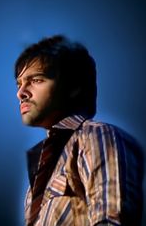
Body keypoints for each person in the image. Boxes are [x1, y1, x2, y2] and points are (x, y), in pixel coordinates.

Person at [14, 35, 144, 226]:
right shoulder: (44, 164)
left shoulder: (96, 136)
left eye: (36, 80)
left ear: (73, 87)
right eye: (19, 84)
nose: (20, 92)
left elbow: (112, 220)